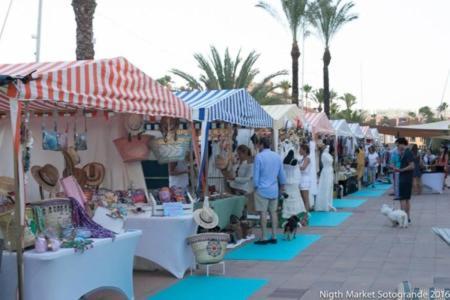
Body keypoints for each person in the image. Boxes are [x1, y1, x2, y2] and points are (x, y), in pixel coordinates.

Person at [253, 136, 286, 245]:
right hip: (274, 189)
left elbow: (256, 175)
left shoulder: (259, 157)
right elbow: (282, 173)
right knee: (273, 213)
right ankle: (274, 235)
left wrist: (255, 186)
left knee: (263, 213)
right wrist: (282, 186)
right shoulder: (277, 156)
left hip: (262, 188)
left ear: (261, 145)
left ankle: (264, 237)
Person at [392, 138, 414, 223]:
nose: (397, 147)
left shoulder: (407, 153)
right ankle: (407, 218)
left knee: (403, 199)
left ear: (402, 144)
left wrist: (401, 170)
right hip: (407, 178)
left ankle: (402, 218)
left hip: (405, 178)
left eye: (398, 145)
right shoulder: (406, 152)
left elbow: (412, 166)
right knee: (407, 199)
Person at [315, 143, 336, 212]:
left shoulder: (328, 155)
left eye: (328, 148)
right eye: (327, 147)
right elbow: (328, 162)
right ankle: (324, 204)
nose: (328, 149)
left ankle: (329, 203)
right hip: (326, 172)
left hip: (330, 171)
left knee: (329, 187)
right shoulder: (324, 155)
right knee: (325, 187)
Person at [299, 144, 312, 212]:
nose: (299, 151)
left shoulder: (307, 158)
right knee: (303, 199)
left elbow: (303, 168)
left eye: (300, 149)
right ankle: (305, 215)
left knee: (305, 199)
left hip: (305, 180)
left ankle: (306, 216)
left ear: (304, 150)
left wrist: (295, 167)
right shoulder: (302, 159)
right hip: (301, 179)